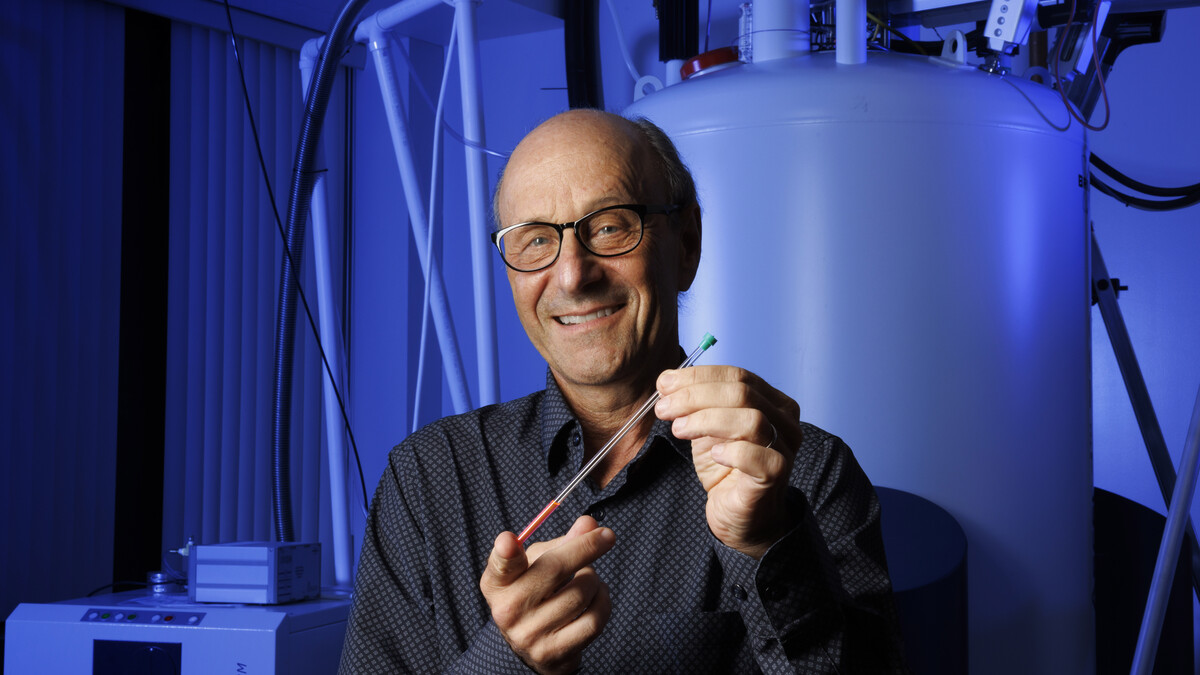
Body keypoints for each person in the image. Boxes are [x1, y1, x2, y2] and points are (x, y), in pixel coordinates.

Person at [338, 109, 908, 674]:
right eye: (535, 240)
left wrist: (766, 543)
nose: (572, 276)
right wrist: (505, 662)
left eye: (610, 226)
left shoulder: (802, 472)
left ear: (686, 243)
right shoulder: (427, 478)